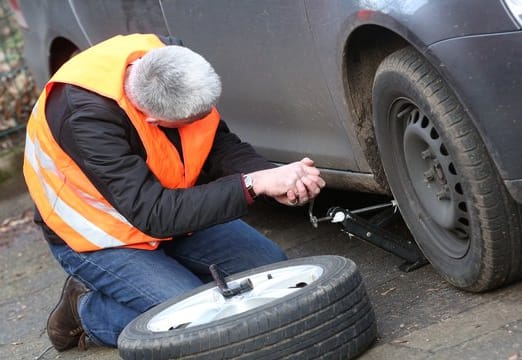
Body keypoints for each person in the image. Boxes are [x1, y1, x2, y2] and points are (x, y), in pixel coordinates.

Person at [23, 33, 325, 351]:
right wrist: (252, 186)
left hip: (167, 211)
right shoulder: (84, 117)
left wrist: (270, 175)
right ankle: (87, 311)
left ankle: (170, 286)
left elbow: (217, 144)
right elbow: (153, 214)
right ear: (152, 119)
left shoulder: (172, 65)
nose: (201, 123)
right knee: (191, 318)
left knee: (269, 268)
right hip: (99, 237)